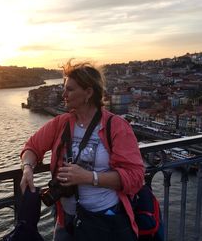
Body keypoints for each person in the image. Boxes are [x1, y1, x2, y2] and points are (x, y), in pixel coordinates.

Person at [19, 61, 144, 241]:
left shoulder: (115, 126)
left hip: (103, 220)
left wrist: (88, 177)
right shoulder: (62, 123)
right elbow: (32, 146)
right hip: (67, 220)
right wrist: (28, 168)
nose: (64, 95)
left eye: (69, 89)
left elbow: (135, 176)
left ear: (88, 92)